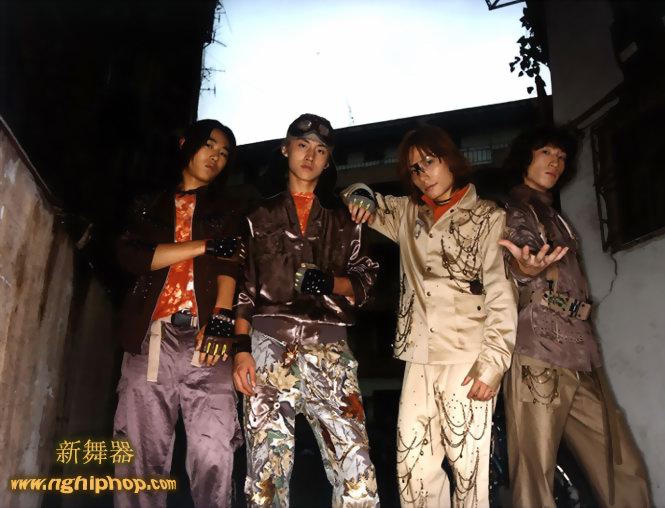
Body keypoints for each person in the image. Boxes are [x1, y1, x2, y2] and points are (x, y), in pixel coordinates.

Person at [345, 125, 518, 508]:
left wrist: (493, 364)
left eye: (430, 161)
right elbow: (359, 194)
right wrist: (359, 194)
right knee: (414, 468)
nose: (423, 173)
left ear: (450, 160)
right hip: (418, 357)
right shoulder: (406, 214)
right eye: (414, 168)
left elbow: (501, 293)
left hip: (467, 359)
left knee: (469, 471)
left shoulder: (488, 216)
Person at [498, 125, 651, 508]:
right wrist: (527, 269)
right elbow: (520, 257)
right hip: (538, 352)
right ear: (526, 158)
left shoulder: (555, 216)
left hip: (580, 354)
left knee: (620, 461)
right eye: (545, 152)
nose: (555, 162)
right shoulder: (517, 210)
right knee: (534, 475)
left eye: (561, 156)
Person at [232, 113, 380, 508]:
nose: (310, 156)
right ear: (285, 150)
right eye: (302, 146)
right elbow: (243, 287)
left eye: (320, 150)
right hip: (269, 344)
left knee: (357, 468)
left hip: (329, 347)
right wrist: (241, 349)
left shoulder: (346, 217)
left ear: (329, 161)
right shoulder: (256, 214)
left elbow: (366, 278)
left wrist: (331, 282)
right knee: (266, 472)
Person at [113, 119, 247, 508]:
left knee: (214, 453)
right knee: (140, 455)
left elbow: (233, 264)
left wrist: (221, 316)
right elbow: (133, 256)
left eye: (224, 154)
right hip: (152, 337)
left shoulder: (229, 209)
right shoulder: (148, 206)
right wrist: (204, 245)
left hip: (208, 339)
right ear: (187, 143)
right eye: (210, 146)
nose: (216, 157)